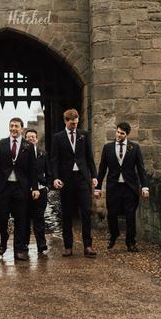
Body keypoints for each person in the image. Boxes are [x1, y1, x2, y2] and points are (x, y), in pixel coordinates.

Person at [0, 117, 40, 261]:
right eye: (11, 126)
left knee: (21, 219)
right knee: (2, 218)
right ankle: (4, 237)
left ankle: (18, 250)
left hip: (20, 187)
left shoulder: (28, 146)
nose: (13, 128)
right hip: (3, 188)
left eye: (16, 126)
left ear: (22, 129)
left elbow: (33, 169)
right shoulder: (1, 144)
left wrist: (34, 187)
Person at [49, 108, 97, 257]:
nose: (74, 126)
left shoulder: (84, 135)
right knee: (67, 213)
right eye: (71, 124)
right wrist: (55, 178)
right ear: (65, 122)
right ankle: (68, 246)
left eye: (76, 123)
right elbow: (54, 160)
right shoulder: (58, 137)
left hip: (82, 179)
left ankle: (87, 246)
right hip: (66, 180)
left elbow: (89, 157)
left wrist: (94, 176)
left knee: (86, 212)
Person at [94, 121, 149, 252]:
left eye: (122, 133)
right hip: (114, 187)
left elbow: (141, 169)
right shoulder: (107, 148)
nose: (118, 135)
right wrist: (98, 187)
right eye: (117, 132)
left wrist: (145, 187)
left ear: (127, 134)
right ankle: (114, 234)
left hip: (130, 187)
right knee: (111, 214)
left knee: (130, 215)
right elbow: (102, 169)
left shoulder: (134, 148)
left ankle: (130, 242)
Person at [24, 128, 49, 256]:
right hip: (25, 191)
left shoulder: (42, 153)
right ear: (25, 139)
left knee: (39, 218)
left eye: (33, 137)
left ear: (37, 139)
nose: (31, 139)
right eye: (28, 137)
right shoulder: (21, 154)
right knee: (25, 219)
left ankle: (41, 244)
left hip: (40, 190)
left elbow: (48, 171)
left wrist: (47, 186)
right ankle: (25, 245)